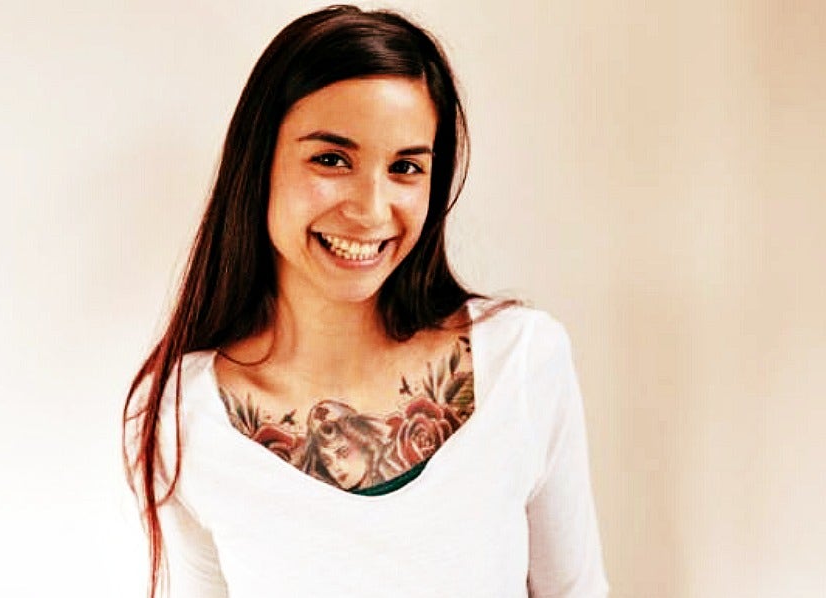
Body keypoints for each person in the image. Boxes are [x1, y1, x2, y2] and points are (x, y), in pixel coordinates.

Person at [122, 5, 608, 597]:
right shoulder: (179, 414)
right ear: (259, 163)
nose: (372, 210)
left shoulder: (525, 361)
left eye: (405, 167)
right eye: (332, 159)